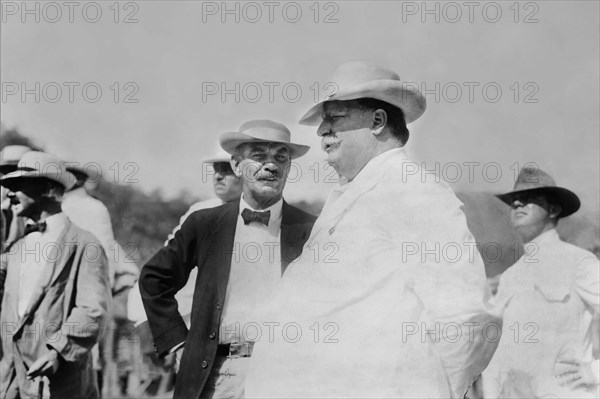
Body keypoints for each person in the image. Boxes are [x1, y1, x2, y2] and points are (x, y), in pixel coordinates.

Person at [245, 62, 498, 398]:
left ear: (378, 121)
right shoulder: (349, 195)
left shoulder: (413, 190)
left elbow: (466, 318)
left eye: (334, 117)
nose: (321, 131)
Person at [139, 120, 317, 399]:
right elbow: (154, 279)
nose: (271, 165)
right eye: (258, 156)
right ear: (236, 165)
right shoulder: (205, 223)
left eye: (281, 157)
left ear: (289, 167)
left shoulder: (311, 230)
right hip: (215, 374)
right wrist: (176, 341)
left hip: (284, 375)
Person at [0, 151, 111, 398]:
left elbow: (93, 309)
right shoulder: (16, 248)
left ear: (49, 189)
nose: (9, 193)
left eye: (18, 185)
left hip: (59, 382)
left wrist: (57, 352)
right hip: (12, 382)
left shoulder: (85, 245)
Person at [482, 167, 599, 398]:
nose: (516, 204)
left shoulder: (578, 262)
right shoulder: (510, 276)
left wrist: (595, 371)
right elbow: (497, 355)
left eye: (527, 200)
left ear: (553, 209)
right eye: (514, 200)